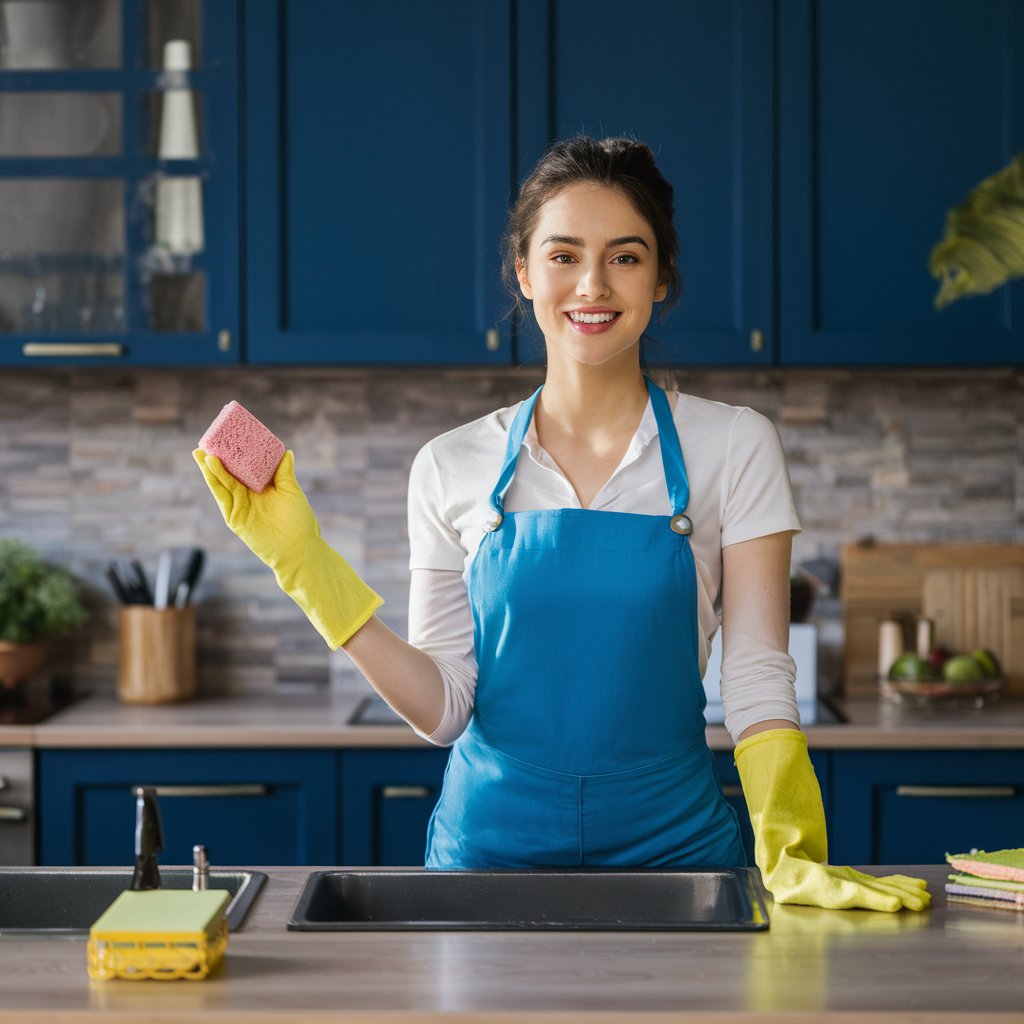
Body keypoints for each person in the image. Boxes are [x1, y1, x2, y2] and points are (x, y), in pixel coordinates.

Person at [194, 136, 929, 912]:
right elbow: (444, 708)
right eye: (564, 254)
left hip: (680, 859)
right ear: (523, 270)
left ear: (662, 277)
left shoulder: (734, 445)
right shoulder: (450, 464)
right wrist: (307, 564)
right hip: (484, 864)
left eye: (625, 257)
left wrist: (788, 846)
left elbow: (751, 675)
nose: (592, 284)